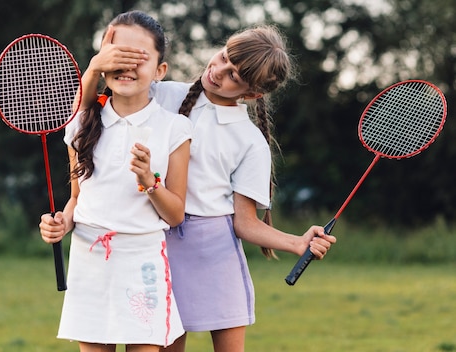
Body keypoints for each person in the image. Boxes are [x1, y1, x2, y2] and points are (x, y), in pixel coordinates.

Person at [75, 22, 337, 352]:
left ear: (252, 94)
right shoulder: (163, 92)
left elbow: (245, 222)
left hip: (215, 252)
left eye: (235, 76)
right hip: (157, 244)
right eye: (225, 56)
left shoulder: (251, 141)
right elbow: (87, 116)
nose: (219, 70)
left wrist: (297, 243)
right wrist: (98, 64)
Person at [39, 11, 192, 352]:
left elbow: (176, 214)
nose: (126, 66)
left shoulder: (175, 128)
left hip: (142, 262)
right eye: (117, 55)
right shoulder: (80, 125)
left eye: (138, 57)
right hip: (89, 261)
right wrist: (61, 224)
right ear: (103, 62)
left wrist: (149, 181)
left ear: (160, 70)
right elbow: (77, 200)